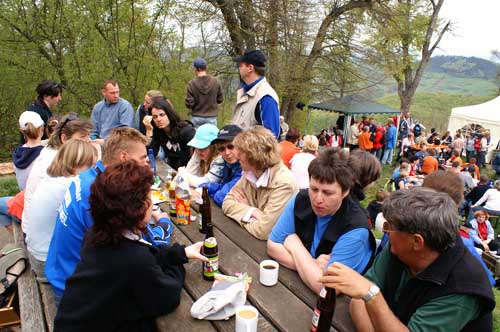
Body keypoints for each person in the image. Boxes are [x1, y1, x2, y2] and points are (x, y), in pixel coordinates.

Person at [53, 160, 206, 331]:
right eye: (150, 197)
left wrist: (180, 253)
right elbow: (167, 297)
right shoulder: (133, 259)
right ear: (138, 208)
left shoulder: (100, 233)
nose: (152, 203)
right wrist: (177, 265)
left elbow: (146, 253)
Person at [320, 188, 495, 332]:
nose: (385, 232)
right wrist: (368, 295)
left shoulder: (461, 290)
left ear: (417, 241)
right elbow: (358, 301)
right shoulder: (400, 248)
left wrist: (372, 296)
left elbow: (366, 293)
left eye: (389, 227)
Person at [45, 127, 152, 300]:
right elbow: (131, 246)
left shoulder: (90, 175)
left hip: (62, 269)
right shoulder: (98, 193)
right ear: (124, 157)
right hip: (74, 288)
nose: (147, 162)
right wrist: (162, 226)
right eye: (143, 158)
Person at [267, 148, 375, 294]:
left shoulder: (356, 229)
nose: (318, 199)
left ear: (345, 191)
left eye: (327, 193)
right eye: (314, 189)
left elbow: (326, 288)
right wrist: (312, 264)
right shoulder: (301, 199)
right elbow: (272, 246)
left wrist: (294, 244)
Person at [25, 140, 96, 282]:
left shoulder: (52, 178)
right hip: (48, 263)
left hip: (36, 254)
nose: (93, 171)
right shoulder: (72, 185)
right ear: (78, 163)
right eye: (92, 166)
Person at [222, 126, 298, 240]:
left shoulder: (284, 183)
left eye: (241, 152)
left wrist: (243, 210)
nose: (237, 156)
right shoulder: (250, 172)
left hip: (271, 250)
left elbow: (263, 231)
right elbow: (226, 203)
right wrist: (252, 211)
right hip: (247, 241)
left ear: (254, 155)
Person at [22, 114, 93, 234]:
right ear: (64, 138)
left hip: (39, 229)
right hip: (42, 236)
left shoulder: (52, 151)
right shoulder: (55, 160)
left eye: (89, 135)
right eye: (83, 136)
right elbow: (80, 194)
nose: (89, 140)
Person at [231, 50, 280, 138]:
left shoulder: (265, 97)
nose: (239, 68)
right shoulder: (246, 92)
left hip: (250, 151)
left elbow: (270, 138)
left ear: (250, 68)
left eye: (241, 65)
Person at [145, 98, 195, 170]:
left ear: (169, 114)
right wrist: (149, 130)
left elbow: (194, 159)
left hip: (189, 171)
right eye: (155, 117)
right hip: (172, 170)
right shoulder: (160, 132)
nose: (158, 119)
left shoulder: (186, 132)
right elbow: (151, 151)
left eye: (162, 115)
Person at [201, 125, 243, 206]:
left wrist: (215, 193)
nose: (227, 153)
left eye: (231, 146)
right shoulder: (228, 164)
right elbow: (223, 187)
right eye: (222, 149)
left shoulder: (246, 167)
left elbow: (222, 197)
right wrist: (205, 188)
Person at [185, 58, 224, 128]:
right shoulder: (216, 82)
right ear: (206, 68)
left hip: (196, 117)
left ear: (196, 69)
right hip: (211, 117)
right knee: (212, 138)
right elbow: (220, 99)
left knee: (197, 138)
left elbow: (189, 104)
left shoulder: (191, 84)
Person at [13, 111, 45, 190]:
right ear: (42, 128)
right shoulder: (45, 155)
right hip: (39, 200)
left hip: (22, 198)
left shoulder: (17, 154)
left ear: (21, 131)